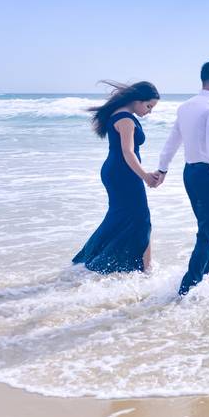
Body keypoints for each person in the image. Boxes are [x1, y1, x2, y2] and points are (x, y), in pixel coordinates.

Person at [153, 59, 209, 295]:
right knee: (208, 234)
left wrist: (163, 168)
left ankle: (204, 281)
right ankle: (188, 289)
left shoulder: (186, 106)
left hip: (190, 174)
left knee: (204, 230)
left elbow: (173, 140)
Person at [73, 80, 160, 274]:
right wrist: (145, 176)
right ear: (137, 100)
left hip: (117, 171)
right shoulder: (126, 119)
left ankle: (90, 259)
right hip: (124, 173)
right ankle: (145, 269)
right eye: (148, 106)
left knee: (119, 217)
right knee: (141, 218)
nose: (149, 111)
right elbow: (128, 152)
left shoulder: (119, 114)